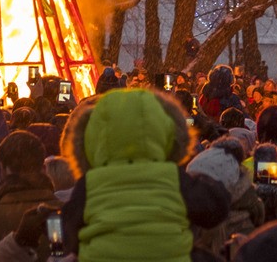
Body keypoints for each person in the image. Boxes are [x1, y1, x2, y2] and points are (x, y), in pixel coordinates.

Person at [55, 87, 229, 261]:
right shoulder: (172, 178)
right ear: (165, 130)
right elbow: (213, 210)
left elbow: (70, 231)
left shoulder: (90, 183)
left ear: (94, 136)